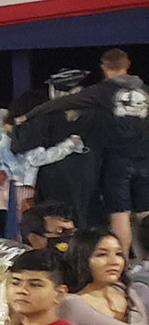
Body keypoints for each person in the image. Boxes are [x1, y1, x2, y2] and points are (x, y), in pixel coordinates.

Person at [25, 50, 149, 252]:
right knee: (145, 214)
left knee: (120, 214)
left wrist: (28, 115)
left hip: (116, 161)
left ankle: (122, 264)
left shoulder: (102, 91)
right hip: (145, 160)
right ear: (127, 65)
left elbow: (63, 103)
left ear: (104, 67)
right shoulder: (145, 91)